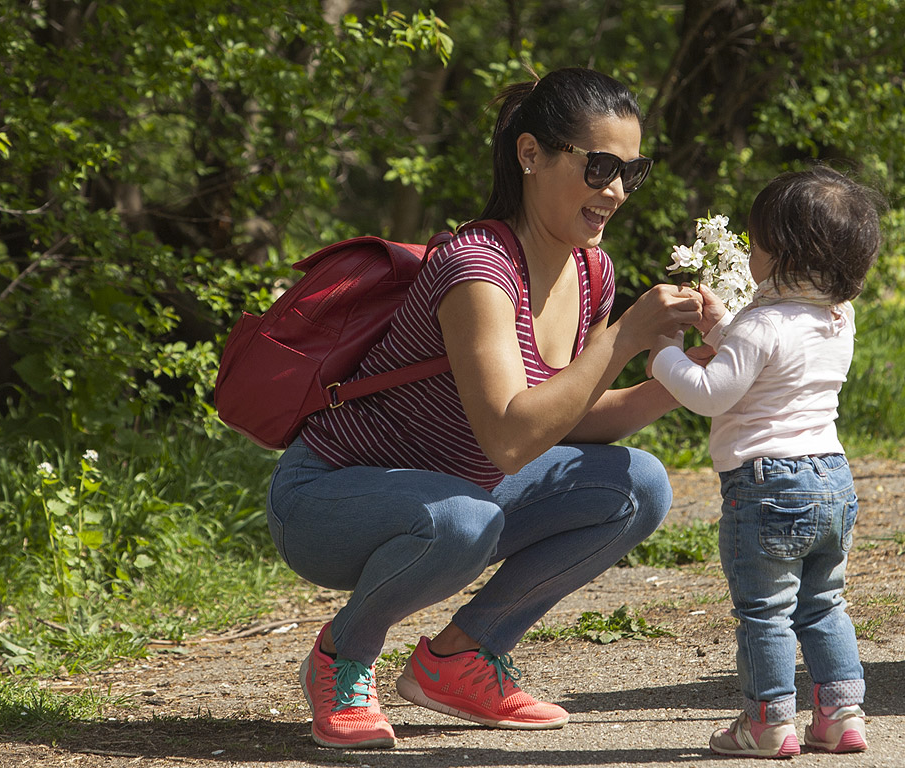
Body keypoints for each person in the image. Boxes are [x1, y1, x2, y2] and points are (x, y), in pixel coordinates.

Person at [266, 66, 703, 750]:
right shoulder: (478, 267)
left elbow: (568, 417)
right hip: (326, 499)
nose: (615, 189)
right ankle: (342, 656)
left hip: (458, 498)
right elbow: (508, 437)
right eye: (599, 166)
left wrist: (686, 380)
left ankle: (460, 657)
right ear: (531, 155)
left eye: (631, 170)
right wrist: (621, 340)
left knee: (637, 484)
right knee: (467, 519)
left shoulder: (593, 270)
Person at [648, 166, 884, 758]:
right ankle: (840, 715)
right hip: (832, 477)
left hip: (766, 486)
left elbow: (712, 394)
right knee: (824, 602)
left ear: (779, 255)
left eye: (756, 245)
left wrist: (662, 355)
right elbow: (777, 362)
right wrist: (721, 323)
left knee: (764, 612)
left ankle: (768, 720)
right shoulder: (837, 319)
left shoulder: (759, 325)